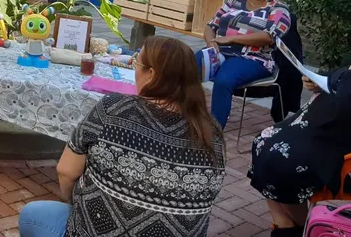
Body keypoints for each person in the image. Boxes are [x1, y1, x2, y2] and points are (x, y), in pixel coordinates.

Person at [19, 37, 225, 237]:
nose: (135, 69)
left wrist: (80, 205)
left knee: (33, 215)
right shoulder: (212, 133)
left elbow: (65, 171)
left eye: (137, 63)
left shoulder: (112, 108)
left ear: (151, 74)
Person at [248, 3, 351, 237]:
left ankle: (296, 226)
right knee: (262, 143)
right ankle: (289, 224)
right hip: (327, 133)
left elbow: (348, 109)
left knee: (278, 159)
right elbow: (344, 80)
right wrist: (323, 81)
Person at [198, 0, 292, 127]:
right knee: (185, 67)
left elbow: (269, 37)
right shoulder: (235, 0)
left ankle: (214, 131)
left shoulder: (279, 9)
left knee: (224, 80)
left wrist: (231, 39)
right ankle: (178, 114)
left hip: (254, 59)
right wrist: (211, 44)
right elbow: (210, 25)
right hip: (221, 52)